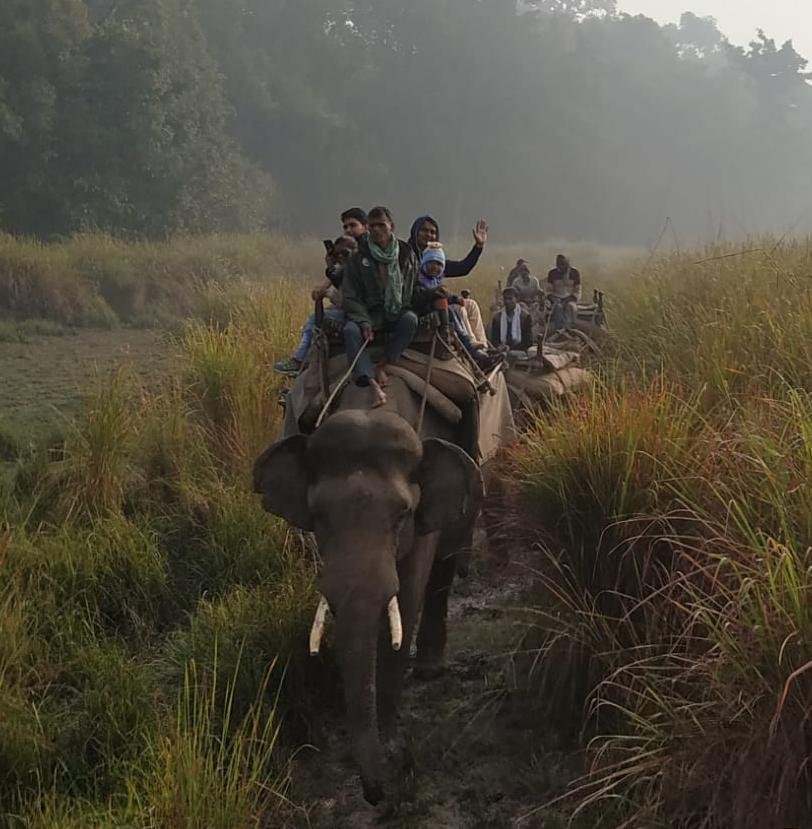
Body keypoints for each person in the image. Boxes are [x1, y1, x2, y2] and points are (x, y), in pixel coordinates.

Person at [273, 210, 368, 376]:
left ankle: (300, 360)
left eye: (353, 225)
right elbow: (339, 278)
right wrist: (329, 275)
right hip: (351, 308)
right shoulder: (351, 254)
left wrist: (330, 293)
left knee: (315, 321)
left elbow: (351, 295)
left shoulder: (365, 256)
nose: (348, 229)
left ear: (365, 227)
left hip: (360, 313)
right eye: (345, 226)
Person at [342, 206, 420, 407]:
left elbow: (412, 287)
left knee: (410, 319)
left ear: (391, 227)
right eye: (372, 226)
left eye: (381, 225)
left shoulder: (405, 253)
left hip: (395, 312)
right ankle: (370, 380)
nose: (377, 230)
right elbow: (350, 296)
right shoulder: (358, 257)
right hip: (369, 314)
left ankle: (383, 364)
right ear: (367, 228)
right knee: (350, 330)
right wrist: (364, 321)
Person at [413, 244, 493, 367]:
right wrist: (443, 296)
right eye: (432, 263)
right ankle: (469, 345)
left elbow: (463, 267)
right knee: (452, 310)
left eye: (439, 265)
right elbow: (423, 295)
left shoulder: (435, 278)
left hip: (440, 308)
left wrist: (478, 246)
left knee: (467, 305)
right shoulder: (416, 275)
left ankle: (481, 346)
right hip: (425, 312)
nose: (435, 267)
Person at [408, 215, 488, 278]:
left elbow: (463, 268)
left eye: (432, 232)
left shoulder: (435, 262)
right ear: (415, 232)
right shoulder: (404, 255)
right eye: (424, 230)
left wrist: (478, 246)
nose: (429, 235)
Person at [490, 286, 533, 353]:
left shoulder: (525, 317)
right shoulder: (497, 317)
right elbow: (494, 339)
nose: (507, 301)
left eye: (510, 299)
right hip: (501, 351)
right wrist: (499, 347)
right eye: (505, 299)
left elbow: (528, 342)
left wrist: (510, 348)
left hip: (519, 351)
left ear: (516, 299)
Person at [546, 254, 582, 331]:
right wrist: (553, 298)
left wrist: (570, 299)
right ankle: (559, 330)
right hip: (556, 299)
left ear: (568, 264)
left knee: (570, 307)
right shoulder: (552, 273)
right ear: (557, 264)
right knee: (558, 308)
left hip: (570, 299)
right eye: (560, 264)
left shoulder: (574, 272)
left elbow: (577, 290)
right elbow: (548, 291)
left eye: (564, 264)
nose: (562, 267)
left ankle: (569, 329)